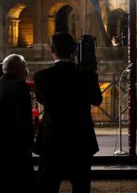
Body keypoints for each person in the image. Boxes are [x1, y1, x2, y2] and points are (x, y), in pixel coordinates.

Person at [34, 32, 102, 193]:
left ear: (52, 50)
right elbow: (97, 100)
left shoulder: (42, 77)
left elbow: (43, 101)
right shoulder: (86, 75)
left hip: (53, 137)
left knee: (48, 185)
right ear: (73, 50)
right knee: (81, 186)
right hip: (80, 136)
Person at [0, 54, 36, 193]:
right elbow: (24, 119)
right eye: (25, 66)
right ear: (17, 68)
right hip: (16, 145)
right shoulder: (20, 86)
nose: (27, 70)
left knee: (3, 181)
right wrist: (30, 144)